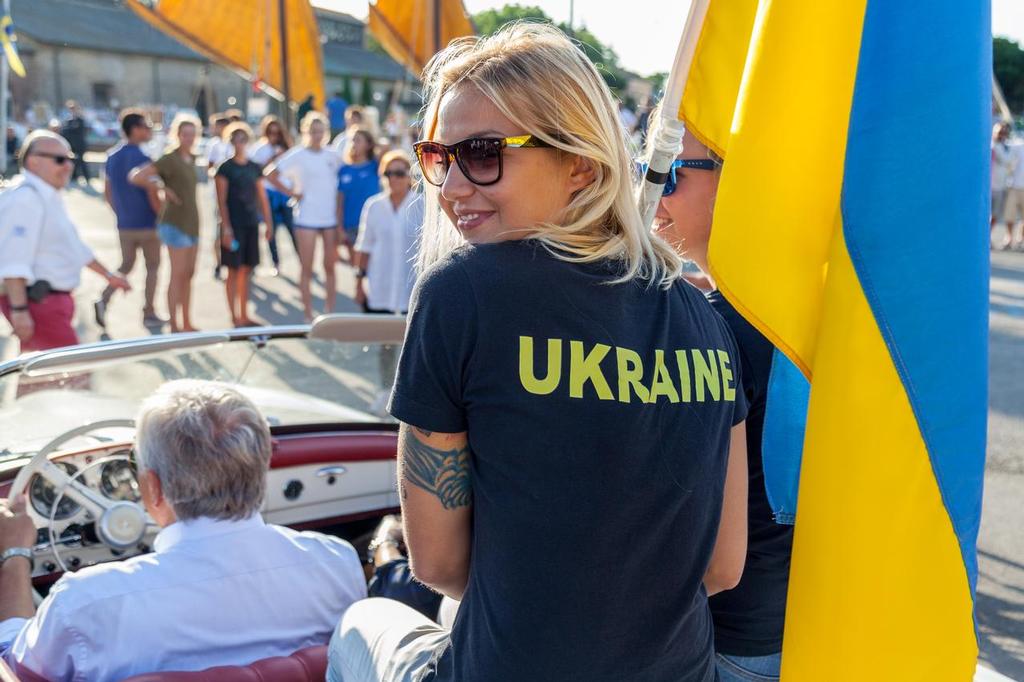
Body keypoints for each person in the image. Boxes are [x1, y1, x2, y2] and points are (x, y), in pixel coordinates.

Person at [329, 23, 748, 682]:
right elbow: (722, 567)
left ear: (581, 163)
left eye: (485, 153)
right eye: (439, 157)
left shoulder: (461, 293)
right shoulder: (702, 316)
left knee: (359, 625)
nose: (451, 187)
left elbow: (435, 565)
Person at [0, 380, 368, 681]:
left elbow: (13, 668)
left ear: (152, 488)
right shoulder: (336, 561)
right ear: (262, 467)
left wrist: (15, 554)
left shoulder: (83, 602)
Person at [654, 129, 794, 682]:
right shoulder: (807, 313)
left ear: (736, 182)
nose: (651, 191)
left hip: (721, 633)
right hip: (797, 621)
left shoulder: (708, 327)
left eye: (669, 172)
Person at [0, 131, 129, 352]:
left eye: (70, 159)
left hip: (50, 304)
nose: (68, 166)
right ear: (33, 161)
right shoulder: (25, 199)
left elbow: (74, 248)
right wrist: (20, 310)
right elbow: (13, 260)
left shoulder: (47, 196)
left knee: (43, 380)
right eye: (60, 160)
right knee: (68, 379)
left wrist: (108, 275)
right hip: (38, 305)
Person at [265, 112, 344, 322]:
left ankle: (329, 312)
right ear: (305, 132)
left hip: (329, 219)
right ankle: (308, 313)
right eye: (313, 131)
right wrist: (291, 193)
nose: (317, 135)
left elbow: (342, 181)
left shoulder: (333, 155)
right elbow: (270, 174)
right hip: (306, 217)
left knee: (330, 266)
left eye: (320, 131)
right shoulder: (297, 154)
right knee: (307, 267)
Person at [130, 113, 202, 333]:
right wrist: (161, 187)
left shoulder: (192, 158)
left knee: (189, 274)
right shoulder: (169, 158)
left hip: (192, 223)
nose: (188, 138)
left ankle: (186, 321)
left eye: (192, 134)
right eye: (184, 134)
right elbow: (136, 176)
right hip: (174, 223)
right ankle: (174, 324)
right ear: (177, 135)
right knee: (177, 274)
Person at [96, 108, 163, 329]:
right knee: (152, 267)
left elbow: (107, 192)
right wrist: (161, 215)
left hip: (125, 223)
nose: (149, 130)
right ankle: (149, 312)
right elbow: (153, 191)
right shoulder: (143, 158)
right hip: (147, 222)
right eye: (146, 126)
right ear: (135, 129)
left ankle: (104, 299)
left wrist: (120, 212)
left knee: (126, 264)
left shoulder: (112, 156)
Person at [215, 122, 273, 327]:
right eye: (235, 139)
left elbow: (262, 198)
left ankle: (244, 313)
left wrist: (268, 223)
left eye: (243, 138)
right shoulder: (225, 168)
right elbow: (221, 201)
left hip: (250, 224)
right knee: (232, 269)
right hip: (234, 225)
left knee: (246, 270)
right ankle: (234, 317)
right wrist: (226, 228)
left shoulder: (253, 168)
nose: (239, 143)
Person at [250, 115, 297, 275]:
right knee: (271, 230)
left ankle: (303, 260)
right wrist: (272, 158)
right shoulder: (259, 149)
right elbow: (256, 172)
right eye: (270, 132)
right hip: (268, 193)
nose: (274, 136)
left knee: (293, 229)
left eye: (277, 133)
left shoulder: (287, 148)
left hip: (285, 193)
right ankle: (276, 263)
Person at [337, 127, 380, 261]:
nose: (353, 143)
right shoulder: (344, 169)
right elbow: (339, 202)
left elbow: (387, 147)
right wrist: (339, 229)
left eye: (358, 140)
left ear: (368, 144)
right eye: (352, 140)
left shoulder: (376, 166)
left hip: (373, 224)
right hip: (350, 225)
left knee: (372, 266)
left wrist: (375, 144)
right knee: (356, 269)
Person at [992, 121, 1015, 249]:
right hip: (992, 187)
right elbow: (1007, 160)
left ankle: (987, 237)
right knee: (991, 215)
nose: (1002, 134)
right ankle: (986, 237)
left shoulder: (1005, 146)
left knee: (995, 215)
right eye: (999, 132)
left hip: (1000, 187)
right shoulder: (993, 146)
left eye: (1004, 132)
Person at [59, 100, 90, 184]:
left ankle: (87, 177)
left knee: (81, 161)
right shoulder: (68, 120)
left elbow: (78, 131)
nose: (72, 110)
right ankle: (74, 177)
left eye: (73, 108)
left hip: (79, 145)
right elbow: (64, 131)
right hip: (72, 144)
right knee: (73, 161)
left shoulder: (80, 120)